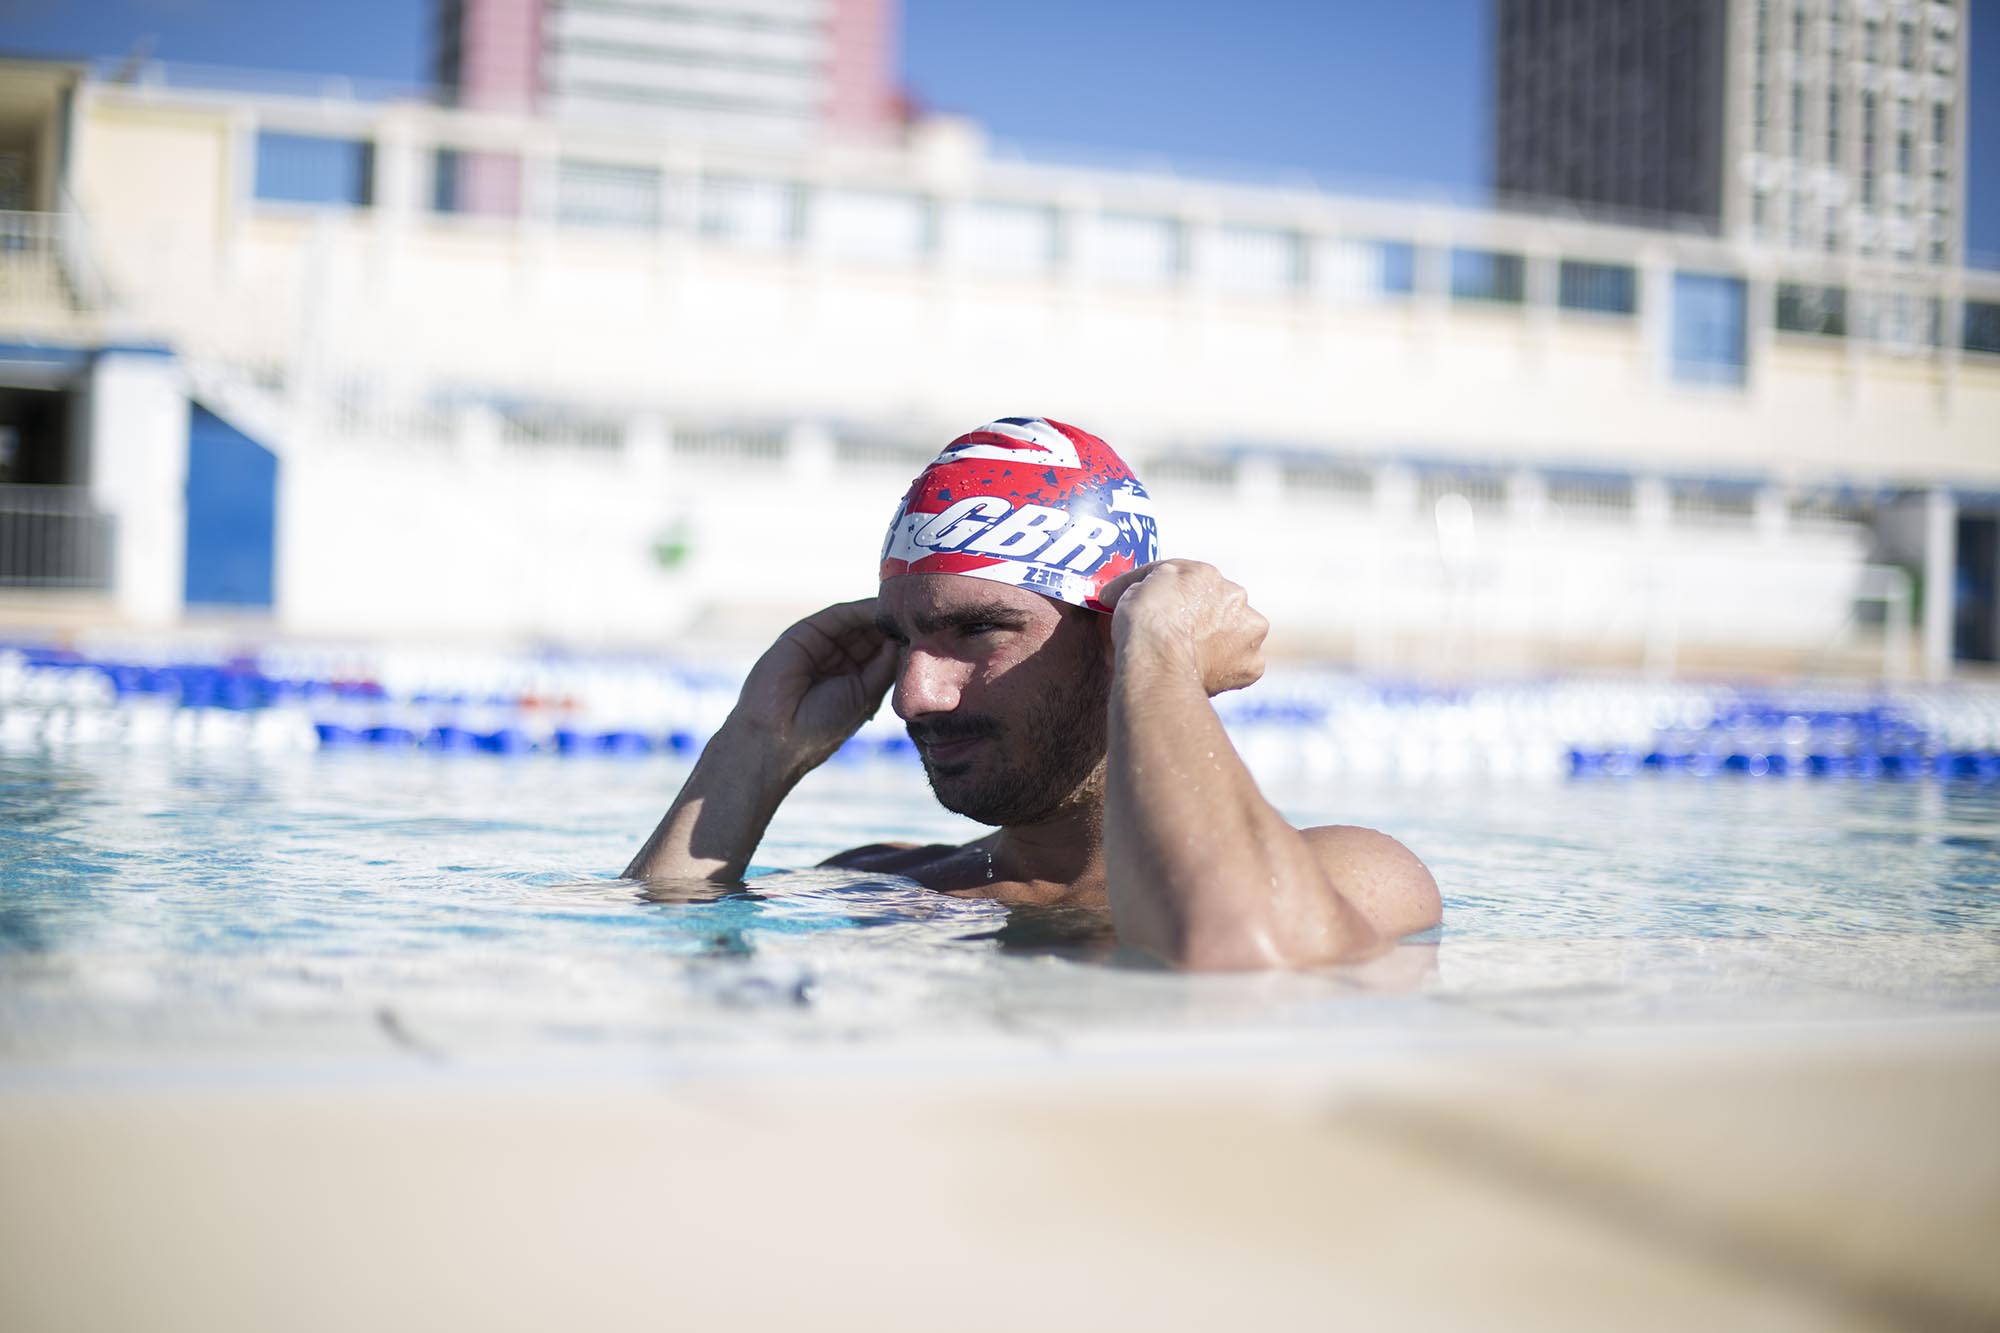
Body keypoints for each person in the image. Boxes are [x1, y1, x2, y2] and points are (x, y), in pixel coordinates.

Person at [627, 416, 1440, 970]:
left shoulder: (1351, 872)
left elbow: (1234, 949)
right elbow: (645, 975)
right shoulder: (886, 886)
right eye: (903, 638)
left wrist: (1159, 649)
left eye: (979, 630)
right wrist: (758, 746)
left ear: (1108, 633)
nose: (915, 695)